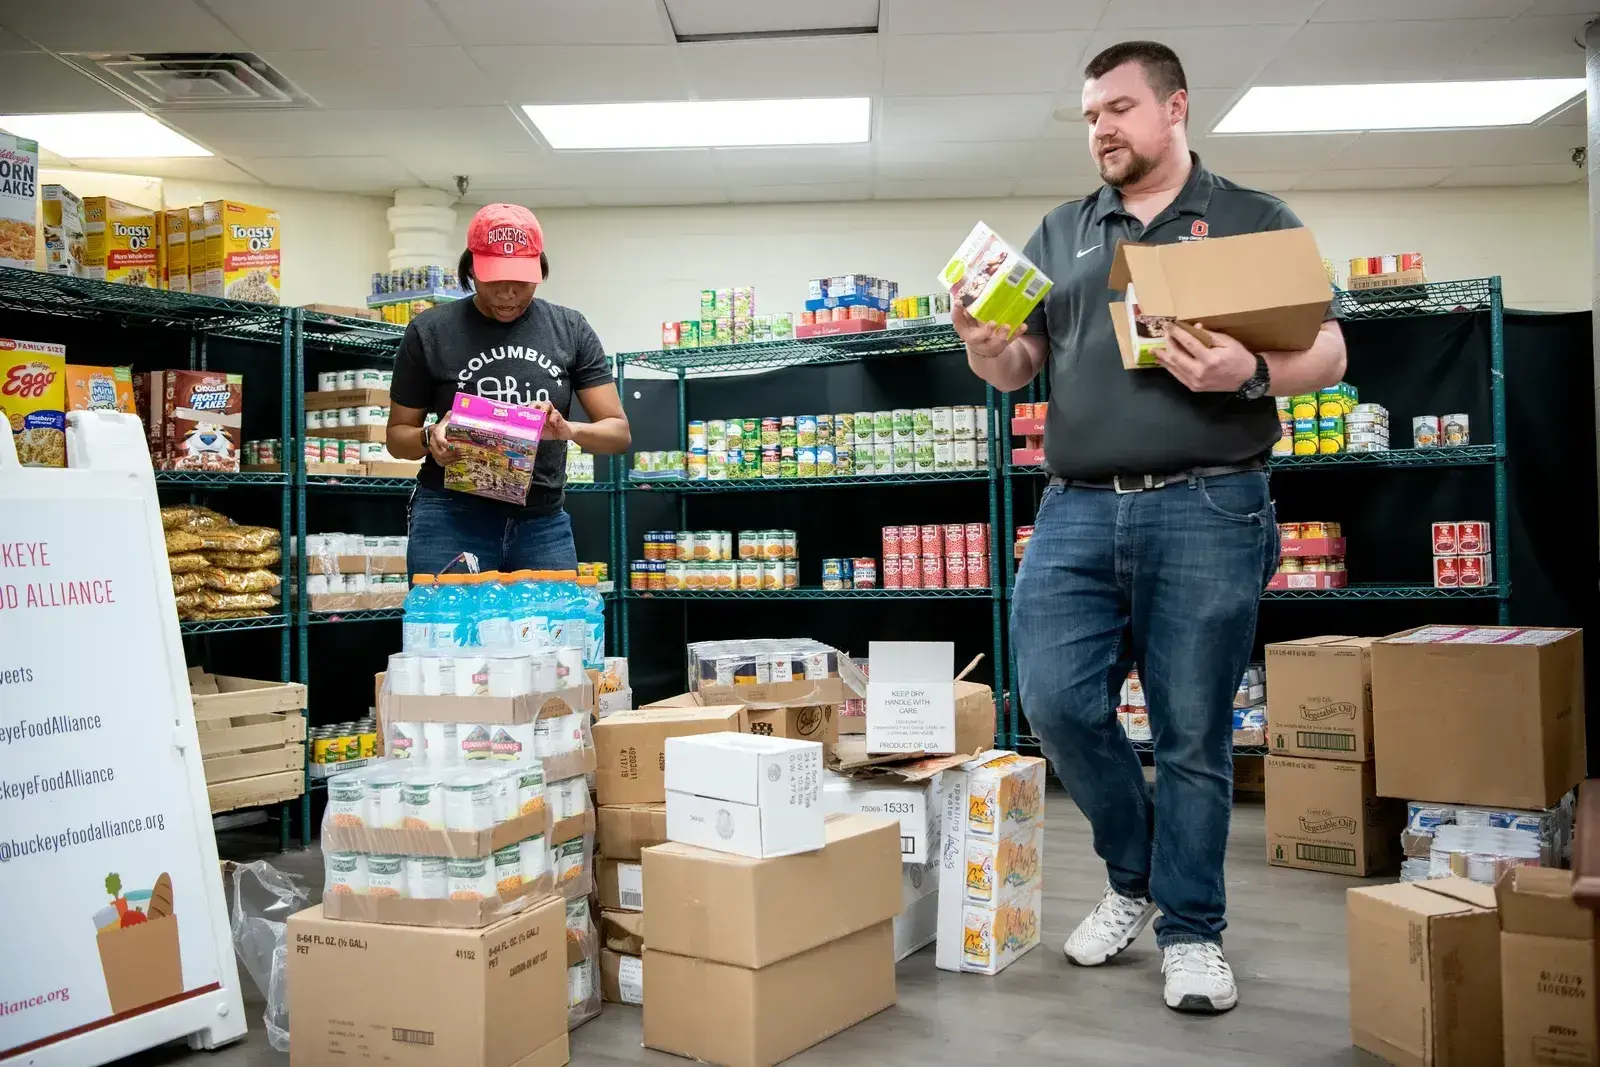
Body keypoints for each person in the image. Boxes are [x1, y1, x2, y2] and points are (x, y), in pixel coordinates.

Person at [956, 41, 1346, 1014]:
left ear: (1174, 108)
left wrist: (1248, 373)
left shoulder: (1254, 218)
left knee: (1191, 734)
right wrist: (981, 345)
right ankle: (1132, 872)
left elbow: (1329, 349)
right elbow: (1018, 367)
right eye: (1090, 115)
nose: (1101, 130)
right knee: (1050, 700)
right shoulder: (1058, 230)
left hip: (1209, 501)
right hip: (1076, 506)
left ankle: (1192, 929)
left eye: (1119, 110)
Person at [388, 203, 630, 576]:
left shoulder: (570, 328)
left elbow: (617, 433)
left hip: (541, 522)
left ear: (540, 269)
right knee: (450, 633)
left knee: (553, 633)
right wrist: (429, 437)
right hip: (450, 517)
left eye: (521, 280)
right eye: (494, 279)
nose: (508, 293)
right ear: (471, 268)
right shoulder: (430, 331)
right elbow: (397, 438)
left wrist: (569, 430)